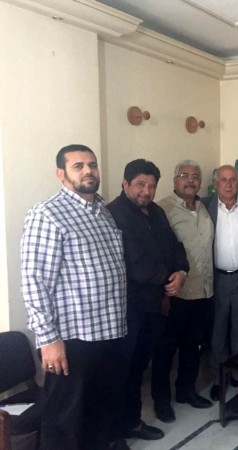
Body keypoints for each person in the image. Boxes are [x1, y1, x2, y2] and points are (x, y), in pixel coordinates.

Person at [21, 144, 127, 450]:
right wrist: (48, 339)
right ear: (61, 174)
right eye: (78, 166)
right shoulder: (48, 213)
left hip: (109, 331)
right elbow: (34, 279)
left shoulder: (103, 212)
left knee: (99, 410)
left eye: (92, 165)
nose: (88, 171)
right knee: (65, 418)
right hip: (72, 338)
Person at [106, 159, 189, 441]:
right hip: (129, 309)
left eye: (152, 186)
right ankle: (117, 431)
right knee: (124, 369)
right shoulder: (113, 215)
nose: (147, 191)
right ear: (125, 184)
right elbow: (136, 264)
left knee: (139, 366)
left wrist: (181, 271)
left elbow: (175, 246)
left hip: (154, 306)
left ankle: (132, 423)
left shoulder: (155, 212)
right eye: (140, 184)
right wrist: (169, 280)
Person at [151, 160, 214, 423]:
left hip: (203, 291)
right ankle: (161, 401)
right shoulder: (162, 209)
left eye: (195, 176)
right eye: (184, 175)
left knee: (192, 347)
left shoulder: (204, 207)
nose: (190, 180)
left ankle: (186, 391)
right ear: (174, 180)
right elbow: (158, 252)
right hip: (175, 293)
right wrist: (164, 293)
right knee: (165, 350)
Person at [201, 164, 238, 402]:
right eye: (223, 180)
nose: (229, 184)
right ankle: (219, 378)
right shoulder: (204, 207)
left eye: (233, 180)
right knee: (217, 331)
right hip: (217, 278)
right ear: (215, 184)